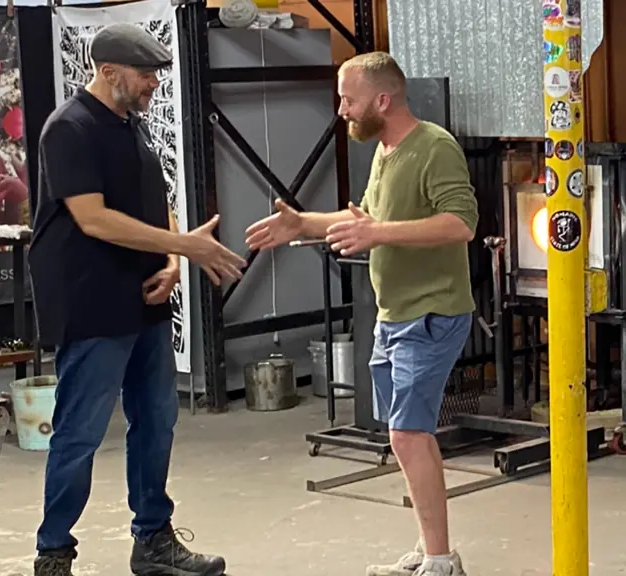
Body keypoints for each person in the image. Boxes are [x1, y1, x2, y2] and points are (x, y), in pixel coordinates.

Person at [245, 51, 477, 576]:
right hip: (395, 315)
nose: (342, 109)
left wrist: (377, 234)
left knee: (406, 435)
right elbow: (369, 219)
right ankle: (432, 550)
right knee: (408, 436)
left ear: (382, 99)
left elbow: (460, 223)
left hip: (432, 313)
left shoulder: (434, 148)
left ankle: (440, 560)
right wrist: (303, 223)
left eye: (348, 99)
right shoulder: (385, 150)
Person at [28, 23, 243, 576]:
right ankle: (53, 553)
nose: (153, 84)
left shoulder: (133, 126)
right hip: (92, 302)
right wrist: (184, 246)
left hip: (144, 299)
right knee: (80, 431)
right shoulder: (69, 129)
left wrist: (172, 262)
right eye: (145, 74)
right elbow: (92, 218)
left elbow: (159, 198)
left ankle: (152, 540)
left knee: (156, 420)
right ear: (108, 71)